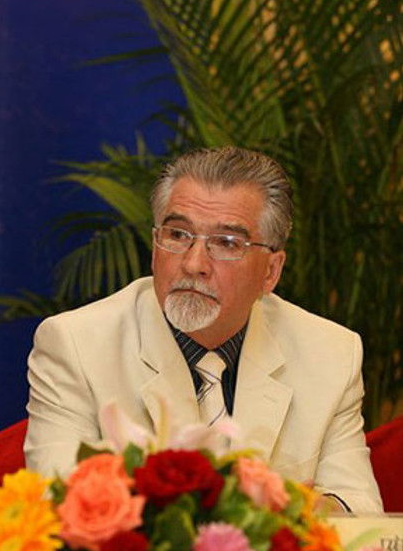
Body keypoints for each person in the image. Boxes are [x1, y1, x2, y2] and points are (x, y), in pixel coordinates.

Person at [24, 147, 383, 513]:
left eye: (227, 243)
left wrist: (299, 512)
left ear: (270, 272)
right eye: (178, 235)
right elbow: (59, 507)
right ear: (155, 247)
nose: (194, 263)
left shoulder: (332, 354)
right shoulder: (75, 346)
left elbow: (361, 512)